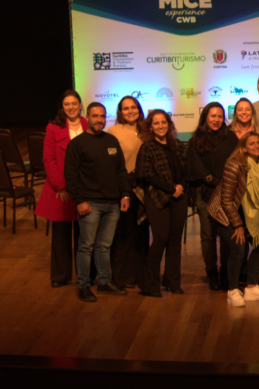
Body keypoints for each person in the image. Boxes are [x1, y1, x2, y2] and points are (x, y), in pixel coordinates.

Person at [63, 102, 131, 302]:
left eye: (102, 116)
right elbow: (70, 175)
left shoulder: (111, 140)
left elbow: (120, 170)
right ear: (87, 117)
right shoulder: (77, 144)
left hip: (113, 204)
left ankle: (103, 282)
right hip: (90, 204)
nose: (99, 120)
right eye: (95, 116)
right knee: (86, 246)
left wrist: (125, 194)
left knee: (104, 246)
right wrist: (79, 200)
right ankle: (83, 286)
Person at [208, 132, 259, 307]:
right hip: (225, 212)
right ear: (244, 148)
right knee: (238, 248)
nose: (256, 146)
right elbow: (226, 200)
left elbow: (256, 191)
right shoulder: (235, 166)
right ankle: (232, 291)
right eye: (251, 144)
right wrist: (238, 225)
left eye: (258, 143)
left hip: (248, 213)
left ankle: (251, 287)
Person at [36, 90, 87, 288]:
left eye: (74, 103)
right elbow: (48, 159)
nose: (71, 107)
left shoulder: (87, 124)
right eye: (67, 104)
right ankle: (60, 276)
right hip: (61, 191)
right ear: (62, 107)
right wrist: (61, 186)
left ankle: (85, 275)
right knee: (61, 236)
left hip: (84, 189)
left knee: (84, 236)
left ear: (80, 105)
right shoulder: (53, 127)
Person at [135, 109, 188, 297]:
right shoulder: (147, 147)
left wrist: (180, 186)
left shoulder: (178, 145)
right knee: (160, 239)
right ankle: (149, 285)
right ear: (150, 127)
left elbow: (186, 169)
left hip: (179, 198)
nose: (160, 126)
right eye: (156, 123)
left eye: (163, 122)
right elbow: (146, 174)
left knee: (175, 241)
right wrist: (171, 189)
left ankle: (173, 283)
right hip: (157, 198)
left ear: (169, 124)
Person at [187, 102, 237, 290]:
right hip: (205, 193)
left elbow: (238, 161)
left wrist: (228, 186)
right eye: (213, 116)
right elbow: (198, 168)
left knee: (225, 236)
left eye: (219, 116)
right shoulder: (196, 139)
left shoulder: (230, 137)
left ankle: (225, 272)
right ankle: (212, 273)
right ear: (205, 117)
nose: (216, 120)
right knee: (208, 236)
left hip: (228, 194)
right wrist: (218, 183)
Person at [107, 95, 149, 290]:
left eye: (133, 107)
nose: (130, 111)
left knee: (142, 232)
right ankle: (122, 277)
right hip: (125, 185)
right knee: (123, 232)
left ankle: (141, 275)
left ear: (139, 109)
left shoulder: (147, 130)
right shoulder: (114, 131)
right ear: (120, 112)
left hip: (145, 186)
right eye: (126, 108)